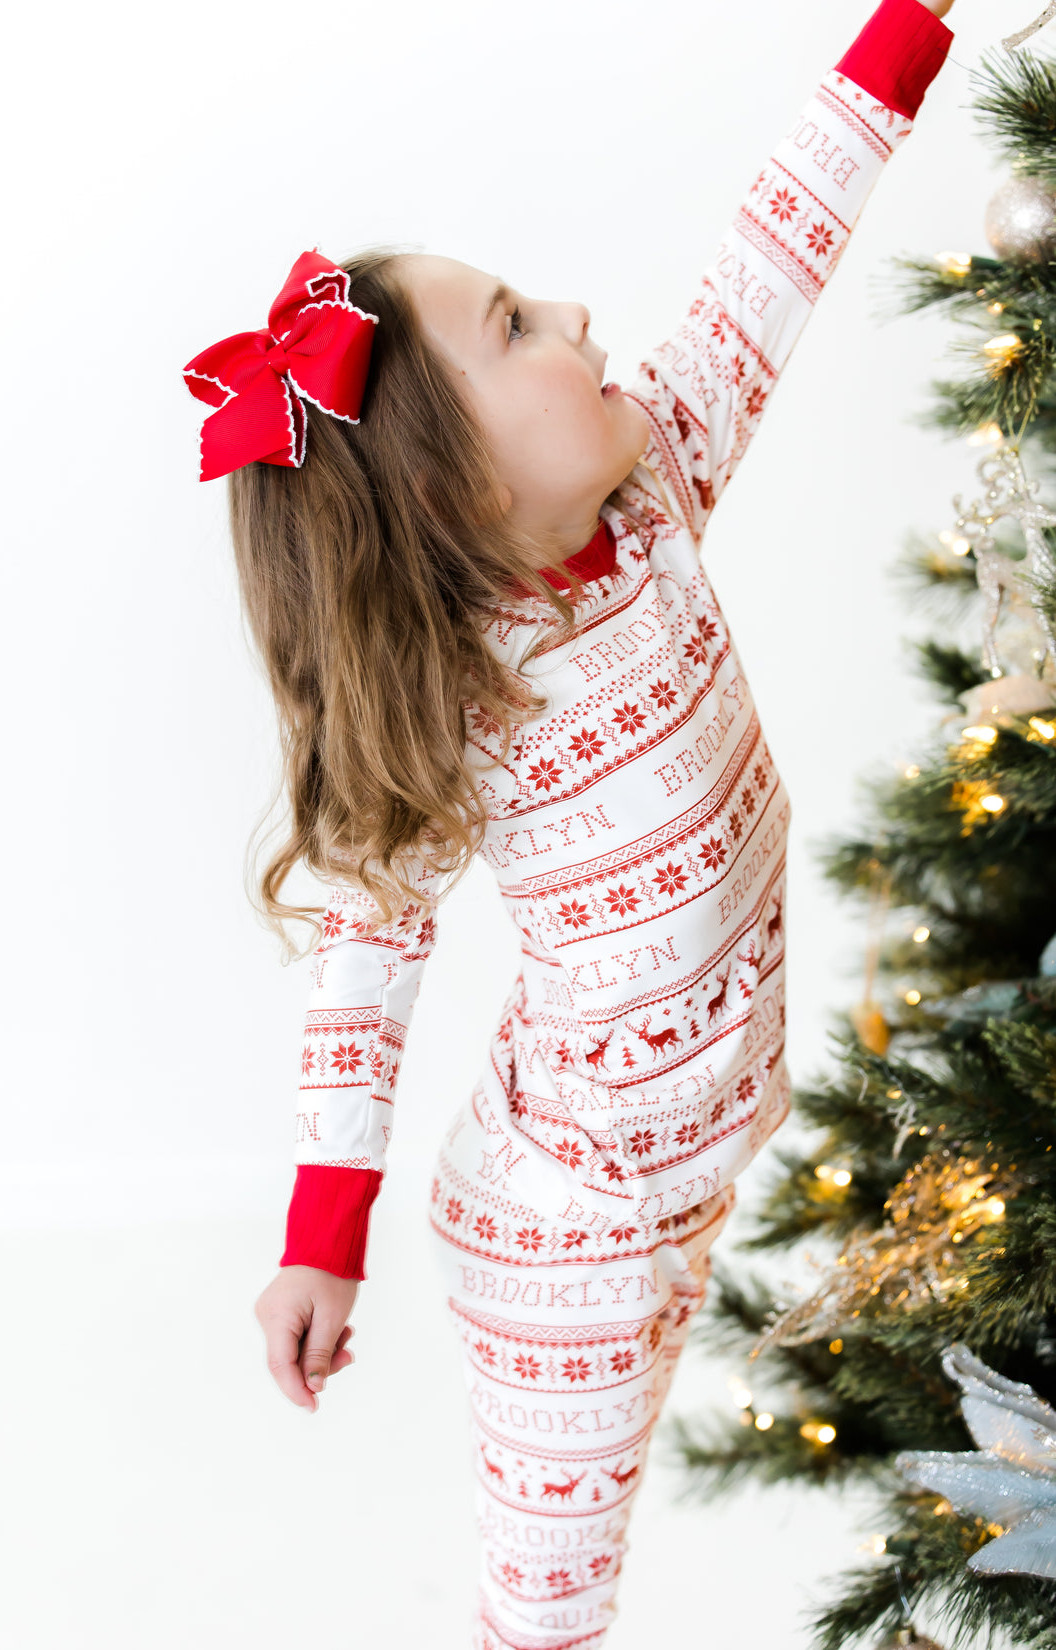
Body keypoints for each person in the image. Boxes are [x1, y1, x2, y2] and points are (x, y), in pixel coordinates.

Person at [183, 1, 957, 1642]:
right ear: (450, 491)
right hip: (572, 1233)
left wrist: (905, 30)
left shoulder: (657, 480)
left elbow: (772, 257)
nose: (581, 314)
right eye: (521, 325)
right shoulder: (458, 698)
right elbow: (363, 968)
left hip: (704, 1159)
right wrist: (325, 1235)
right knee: (549, 1598)